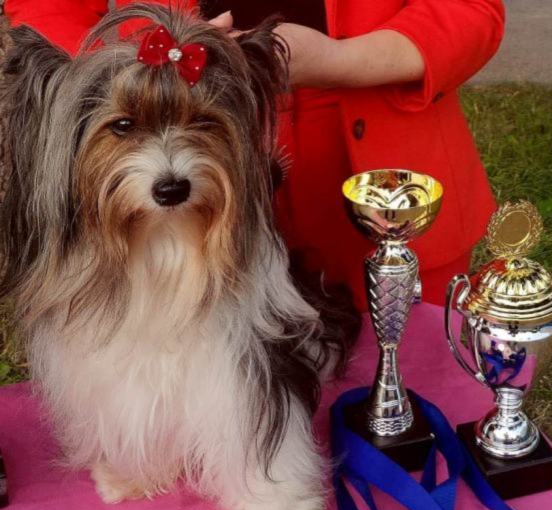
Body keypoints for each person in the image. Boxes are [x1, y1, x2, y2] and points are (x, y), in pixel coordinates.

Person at [4, 0, 505, 311]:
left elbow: (468, 10)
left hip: (387, 165)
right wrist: (139, 76)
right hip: (191, 148)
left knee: (414, 384)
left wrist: (338, 61)